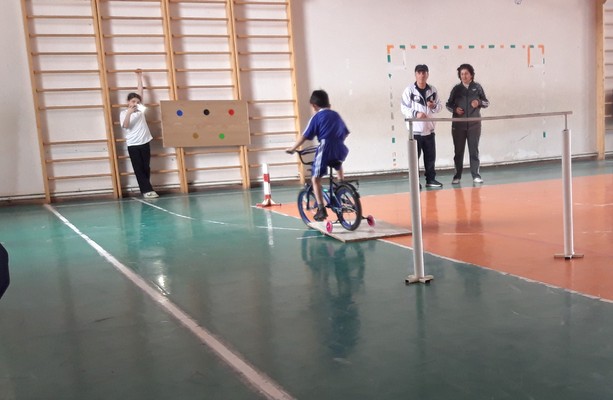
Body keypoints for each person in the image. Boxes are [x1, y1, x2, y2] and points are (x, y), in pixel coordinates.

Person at [286, 90, 350, 221]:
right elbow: (346, 132)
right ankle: (341, 188)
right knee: (338, 164)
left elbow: (305, 136)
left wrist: (293, 148)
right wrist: (336, 140)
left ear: (314, 105)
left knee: (315, 179)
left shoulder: (316, 117)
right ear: (329, 104)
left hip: (325, 147)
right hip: (340, 147)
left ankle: (321, 209)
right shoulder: (335, 115)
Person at [400, 64, 443, 188]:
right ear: (415, 75)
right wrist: (416, 113)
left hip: (429, 130)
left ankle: (431, 180)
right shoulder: (409, 90)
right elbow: (403, 108)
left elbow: (439, 107)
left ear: (427, 74)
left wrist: (433, 106)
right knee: (414, 159)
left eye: (424, 72)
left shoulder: (433, 90)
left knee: (430, 158)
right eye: (419, 73)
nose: (422, 75)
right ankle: (415, 182)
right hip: (415, 132)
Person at [446, 63, 489, 184]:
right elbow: (448, 105)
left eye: (466, 73)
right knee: (458, 152)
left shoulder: (477, 87)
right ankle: (457, 176)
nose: (464, 76)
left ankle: (476, 175)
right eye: (462, 74)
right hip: (458, 126)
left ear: (471, 75)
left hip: (474, 125)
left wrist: (478, 102)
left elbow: (486, 102)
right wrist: (455, 109)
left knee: (474, 150)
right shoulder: (456, 89)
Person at [120, 69, 159, 199]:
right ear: (128, 102)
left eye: (137, 102)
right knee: (138, 169)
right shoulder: (123, 113)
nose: (135, 104)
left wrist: (139, 77)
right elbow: (126, 126)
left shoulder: (141, 110)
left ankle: (146, 189)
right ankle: (147, 190)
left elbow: (140, 91)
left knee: (146, 167)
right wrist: (129, 113)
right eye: (133, 102)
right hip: (133, 144)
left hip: (145, 142)